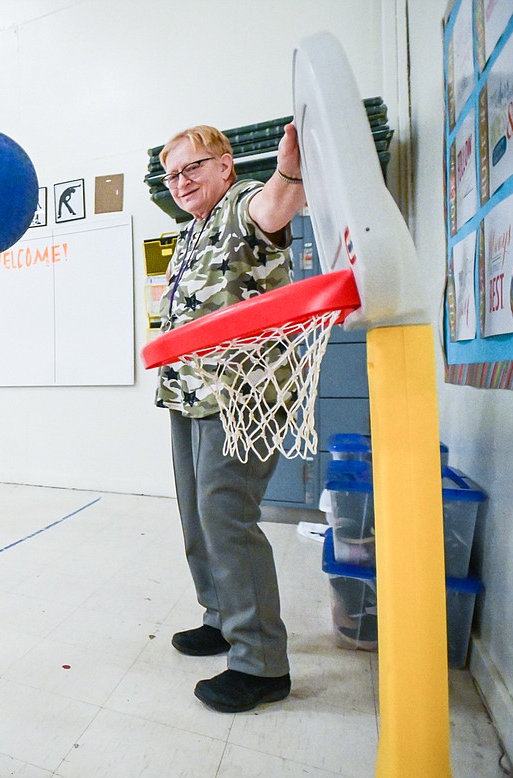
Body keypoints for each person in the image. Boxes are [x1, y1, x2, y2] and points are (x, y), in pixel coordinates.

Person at [156, 124, 307, 713]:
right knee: (197, 516)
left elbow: (276, 205)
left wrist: (289, 172)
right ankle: (221, 618)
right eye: (172, 175)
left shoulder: (243, 202)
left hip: (241, 396)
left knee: (227, 518)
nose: (182, 182)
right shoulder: (192, 231)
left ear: (224, 165)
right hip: (189, 393)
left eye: (193, 167)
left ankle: (261, 664)